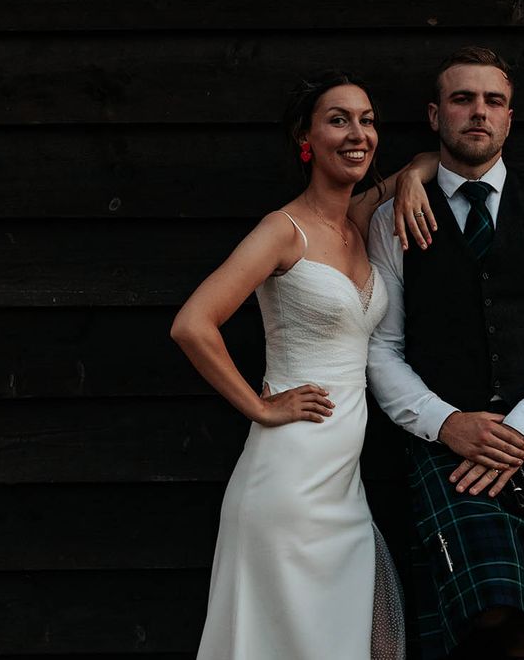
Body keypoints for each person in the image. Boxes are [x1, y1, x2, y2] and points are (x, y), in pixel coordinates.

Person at [170, 70, 432, 660]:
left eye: (367, 120)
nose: (357, 133)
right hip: (287, 479)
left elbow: (430, 158)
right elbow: (192, 324)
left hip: (343, 488)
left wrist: (413, 174)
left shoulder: (359, 221)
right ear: (306, 139)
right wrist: (260, 405)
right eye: (339, 119)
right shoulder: (281, 231)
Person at [367, 47, 524, 658]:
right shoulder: (394, 218)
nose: (478, 112)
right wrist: (445, 423)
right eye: (462, 99)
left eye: (492, 101)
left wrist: (521, 431)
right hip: (442, 446)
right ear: (433, 115)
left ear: (508, 118)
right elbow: (380, 345)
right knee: (487, 603)